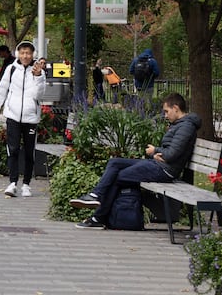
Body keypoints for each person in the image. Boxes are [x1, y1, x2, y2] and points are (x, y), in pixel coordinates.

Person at [70, 92, 201, 229]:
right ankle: (95, 196)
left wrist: (155, 151)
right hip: (159, 164)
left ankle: (98, 216)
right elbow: (169, 151)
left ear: (176, 108)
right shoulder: (180, 124)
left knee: (118, 176)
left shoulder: (186, 127)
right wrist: (156, 153)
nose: (165, 115)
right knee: (115, 162)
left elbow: (172, 153)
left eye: (167, 111)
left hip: (165, 170)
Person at [0, 41, 45, 198]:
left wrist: (38, 77)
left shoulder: (39, 72)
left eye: (28, 53)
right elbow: (1, 91)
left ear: (33, 55)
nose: (25, 56)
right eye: (23, 52)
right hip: (12, 116)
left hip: (31, 117)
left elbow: (40, 95)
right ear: (18, 53)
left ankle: (26, 184)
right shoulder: (11, 69)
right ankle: (12, 183)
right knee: (13, 149)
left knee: (29, 151)